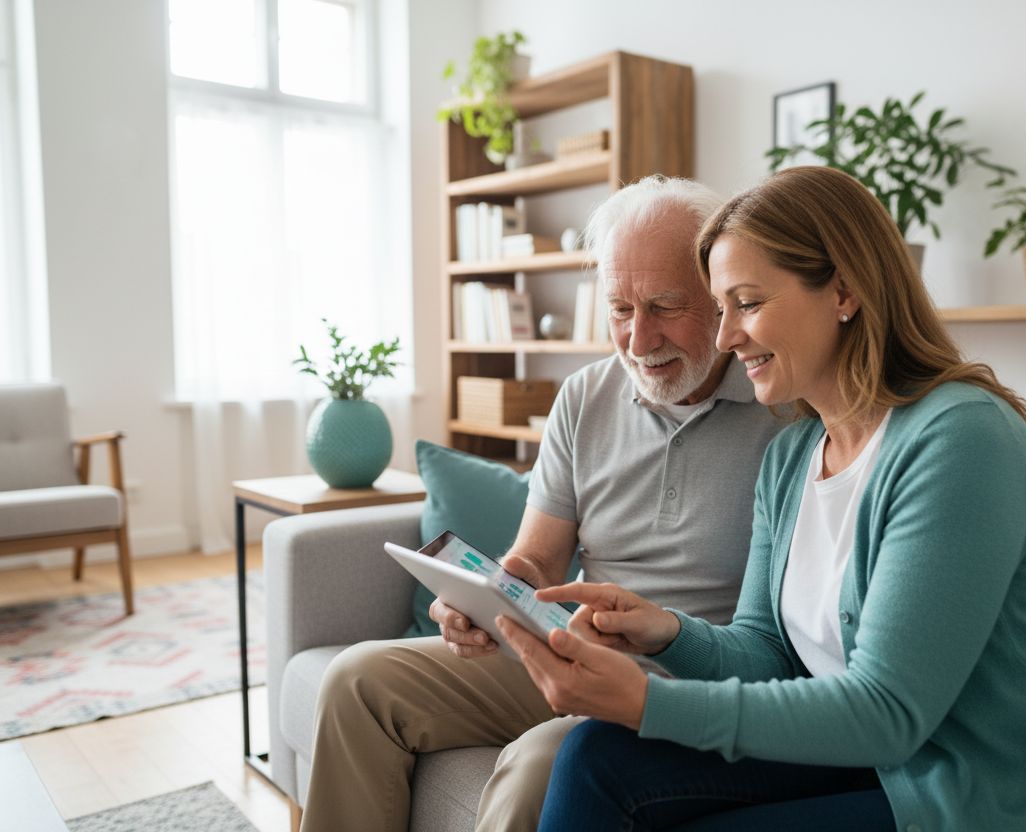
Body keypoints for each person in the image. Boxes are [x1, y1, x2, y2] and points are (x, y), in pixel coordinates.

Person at [497, 166, 1026, 831]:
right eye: (721, 307)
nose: (725, 337)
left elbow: (888, 711)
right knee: (596, 753)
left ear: (844, 292)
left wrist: (646, 703)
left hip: (983, 789)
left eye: (746, 302)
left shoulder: (962, 441)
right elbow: (765, 650)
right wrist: (666, 631)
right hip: (866, 759)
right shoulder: (793, 455)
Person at [300, 176, 785, 832]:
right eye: (619, 309)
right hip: (569, 649)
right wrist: (483, 597)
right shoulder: (586, 396)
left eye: (665, 306)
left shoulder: (783, 411)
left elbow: (774, 646)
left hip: (691, 687)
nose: (638, 341)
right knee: (356, 681)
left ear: (720, 295)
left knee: (540, 766)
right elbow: (537, 556)